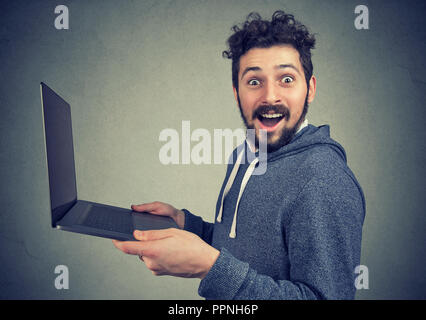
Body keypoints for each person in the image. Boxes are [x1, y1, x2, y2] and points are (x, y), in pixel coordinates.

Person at [113, 10, 366, 300]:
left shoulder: (322, 179)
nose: (270, 96)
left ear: (309, 89)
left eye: (286, 79)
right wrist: (186, 225)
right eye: (254, 82)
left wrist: (209, 267)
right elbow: (240, 249)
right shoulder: (245, 154)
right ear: (237, 93)